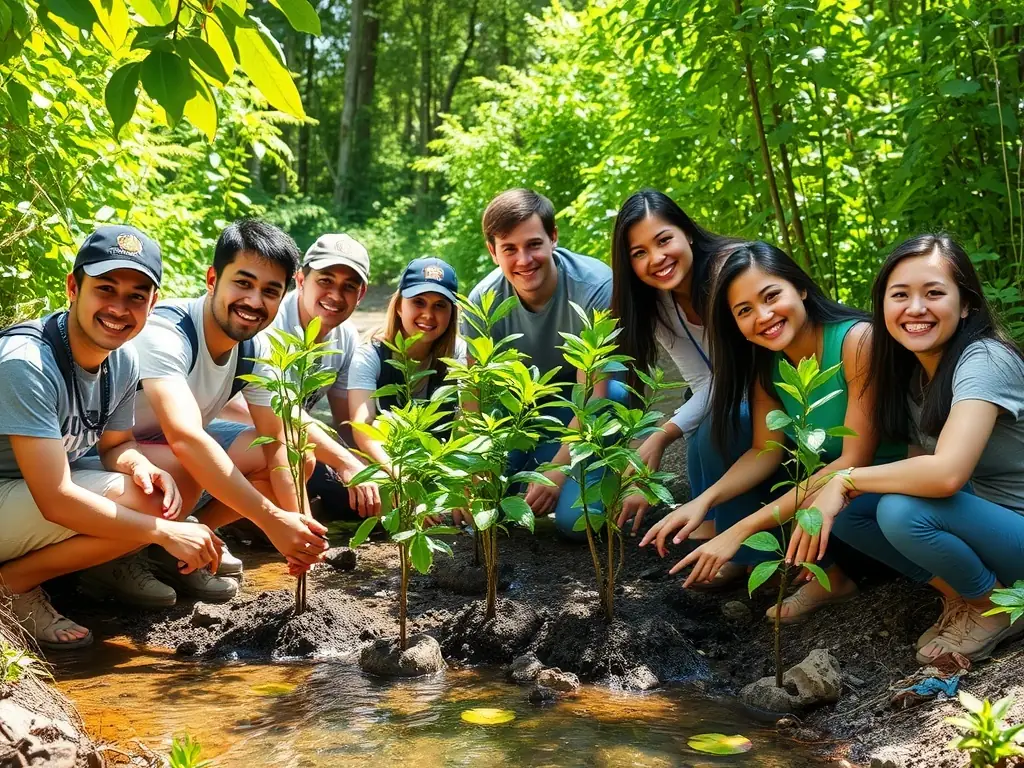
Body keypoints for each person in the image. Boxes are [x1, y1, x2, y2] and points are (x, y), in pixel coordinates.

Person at [788, 234, 1024, 663]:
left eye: (934, 293)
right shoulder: (913, 375)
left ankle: (995, 607)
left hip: (1018, 528)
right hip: (992, 522)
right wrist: (840, 492)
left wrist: (844, 479)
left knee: (901, 509)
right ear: (883, 307)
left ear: (966, 303)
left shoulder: (985, 360)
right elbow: (916, 461)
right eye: (900, 295)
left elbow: (947, 473)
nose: (915, 308)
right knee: (853, 512)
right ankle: (966, 595)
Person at [644, 241, 904, 621]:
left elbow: (853, 461)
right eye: (744, 310)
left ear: (799, 288)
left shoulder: (856, 340)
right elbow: (764, 451)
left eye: (771, 296)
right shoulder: (767, 364)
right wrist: (704, 502)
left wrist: (741, 529)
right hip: (828, 484)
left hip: (879, 483)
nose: (763, 316)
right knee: (736, 442)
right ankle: (822, 571)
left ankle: (842, 575)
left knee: (832, 512)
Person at [0, 225, 223, 649]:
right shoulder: (26, 363)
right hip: (21, 493)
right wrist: (160, 531)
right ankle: (11, 586)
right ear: (73, 287)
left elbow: (116, 445)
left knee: (159, 488)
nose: (119, 308)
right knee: (151, 512)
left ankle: (99, 567)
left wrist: (140, 465)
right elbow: (55, 498)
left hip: (26, 493)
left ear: (152, 303)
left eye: (137, 296)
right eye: (106, 289)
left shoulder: (121, 359)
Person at [130, 219, 329, 600]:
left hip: (165, 453)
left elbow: (277, 442)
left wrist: (302, 532)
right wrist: (272, 521)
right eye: (243, 283)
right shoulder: (168, 332)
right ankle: (122, 559)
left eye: (270, 291)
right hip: (110, 456)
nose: (255, 302)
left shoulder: (256, 347)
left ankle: (186, 544)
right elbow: (186, 439)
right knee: (184, 466)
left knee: (296, 457)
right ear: (212, 279)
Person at [463, 188, 625, 539]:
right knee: (485, 514)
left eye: (533, 244)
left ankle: (610, 465)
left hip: (592, 403)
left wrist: (557, 469)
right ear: (493, 252)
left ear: (553, 238)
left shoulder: (594, 287)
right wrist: (474, 467)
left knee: (578, 524)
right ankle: (535, 459)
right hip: (528, 408)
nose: (524, 259)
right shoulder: (483, 303)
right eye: (509, 249)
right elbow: (474, 393)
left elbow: (593, 393)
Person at [609, 189, 753, 540]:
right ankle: (714, 523)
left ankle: (735, 537)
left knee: (728, 423)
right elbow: (705, 380)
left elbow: (741, 375)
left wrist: (663, 434)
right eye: (639, 253)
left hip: (774, 387)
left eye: (663, 241)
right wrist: (658, 441)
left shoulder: (731, 273)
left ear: (686, 233)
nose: (656, 258)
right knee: (705, 434)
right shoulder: (660, 304)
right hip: (732, 393)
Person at [223, 233, 381, 521]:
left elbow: (344, 426)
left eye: (349, 287)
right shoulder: (268, 322)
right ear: (300, 280)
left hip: (294, 441)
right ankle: (247, 520)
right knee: (298, 464)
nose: (335, 295)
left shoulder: (345, 338)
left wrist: (367, 470)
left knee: (362, 500)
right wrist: (343, 461)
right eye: (325, 281)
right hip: (244, 437)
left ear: (361, 295)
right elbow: (274, 412)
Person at [347, 257, 466, 470]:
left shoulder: (458, 354)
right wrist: (398, 473)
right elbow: (362, 427)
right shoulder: (370, 355)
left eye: (440, 305)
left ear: (452, 313)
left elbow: (468, 422)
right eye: (418, 302)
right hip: (388, 464)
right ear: (399, 306)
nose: (428, 315)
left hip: (441, 467)